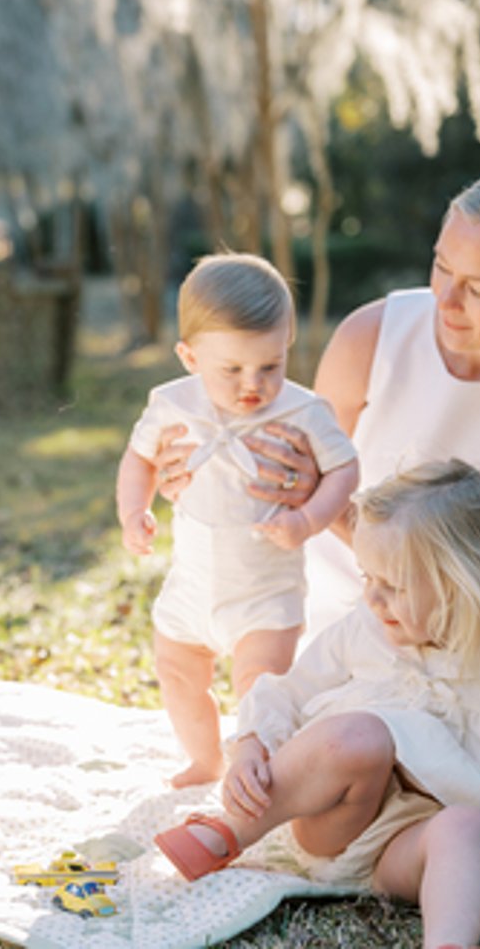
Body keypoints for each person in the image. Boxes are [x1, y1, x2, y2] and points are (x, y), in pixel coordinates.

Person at [148, 164, 480, 655]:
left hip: (472, 646)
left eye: (479, 289)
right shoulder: (372, 340)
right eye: (442, 266)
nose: (444, 300)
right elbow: (269, 471)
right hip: (340, 624)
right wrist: (192, 471)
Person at [152, 460, 480, 948]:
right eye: (368, 578)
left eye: (393, 586)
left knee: (469, 825)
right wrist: (251, 747)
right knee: (359, 736)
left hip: (411, 852)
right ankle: (229, 831)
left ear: (468, 587)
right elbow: (287, 692)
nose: (373, 598)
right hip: (340, 820)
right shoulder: (367, 632)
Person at [116, 253, 360, 787]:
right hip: (192, 584)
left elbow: (345, 469)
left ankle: (261, 770)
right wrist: (134, 512)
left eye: (270, 366)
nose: (253, 384)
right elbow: (139, 458)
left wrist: (310, 520)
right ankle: (204, 759)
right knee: (177, 671)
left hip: (265, 593)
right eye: (232, 370)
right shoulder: (170, 403)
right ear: (188, 356)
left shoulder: (302, 410)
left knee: (260, 686)